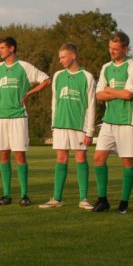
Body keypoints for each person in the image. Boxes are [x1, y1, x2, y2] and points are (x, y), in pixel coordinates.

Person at [0, 36, 51, 206]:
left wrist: (29, 93)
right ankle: (6, 195)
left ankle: (24, 195)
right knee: (4, 154)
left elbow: (46, 80)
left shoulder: (24, 66)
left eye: (2, 48)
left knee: (19, 154)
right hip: (0, 117)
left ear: (11, 48)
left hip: (18, 116)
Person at [39, 43, 96, 210]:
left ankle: (84, 199)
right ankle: (57, 198)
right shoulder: (57, 76)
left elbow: (91, 105)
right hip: (60, 125)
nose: (60, 60)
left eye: (63, 57)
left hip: (79, 126)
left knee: (81, 158)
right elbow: (54, 102)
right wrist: (53, 124)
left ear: (73, 56)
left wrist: (90, 130)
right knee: (61, 159)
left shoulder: (87, 77)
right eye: (59, 57)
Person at [92, 31, 133, 213]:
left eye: (116, 48)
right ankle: (102, 200)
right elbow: (98, 95)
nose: (111, 51)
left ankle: (124, 202)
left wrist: (109, 90)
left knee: (127, 161)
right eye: (110, 48)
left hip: (128, 120)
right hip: (109, 120)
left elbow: (128, 94)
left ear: (125, 49)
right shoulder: (106, 67)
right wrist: (116, 92)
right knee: (98, 158)